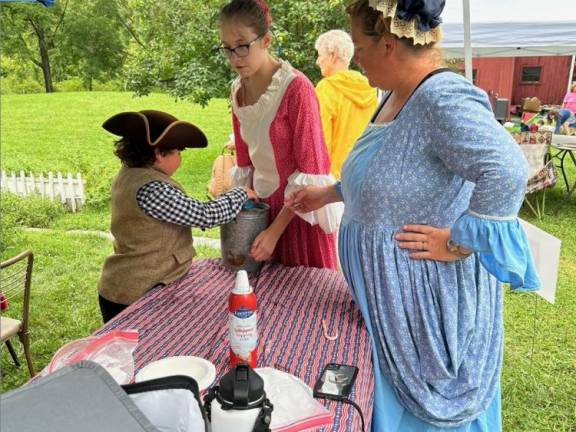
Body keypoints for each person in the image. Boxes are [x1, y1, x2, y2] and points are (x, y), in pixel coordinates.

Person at [286, 1, 540, 431]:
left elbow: (506, 169)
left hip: (422, 301)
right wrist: (329, 192)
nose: (356, 57)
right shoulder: (393, 95)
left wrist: (457, 243)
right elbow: (396, 175)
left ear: (387, 45)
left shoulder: (441, 97)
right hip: (389, 299)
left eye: (360, 46)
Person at [97, 110, 256, 323]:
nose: (180, 158)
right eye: (178, 152)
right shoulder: (152, 189)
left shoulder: (130, 173)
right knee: (145, 351)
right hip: (136, 293)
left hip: (129, 285)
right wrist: (240, 193)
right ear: (158, 154)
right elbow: (204, 215)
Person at [217, 0, 342, 269]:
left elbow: (312, 170)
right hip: (260, 213)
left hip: (297, 217)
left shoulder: (296, 88)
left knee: (302, 300)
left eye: (241, 46)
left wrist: (275, 231)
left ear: (266, 41)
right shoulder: (238, 91)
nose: (234, 57)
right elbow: (244, 164)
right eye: (226, 49)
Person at [314, 29, 378, 179]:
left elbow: (321, 141)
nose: (317, 61)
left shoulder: (327, 88)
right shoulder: (369, 88)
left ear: (332, 56)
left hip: (333, 181)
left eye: (320, 55)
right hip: (362, 174)